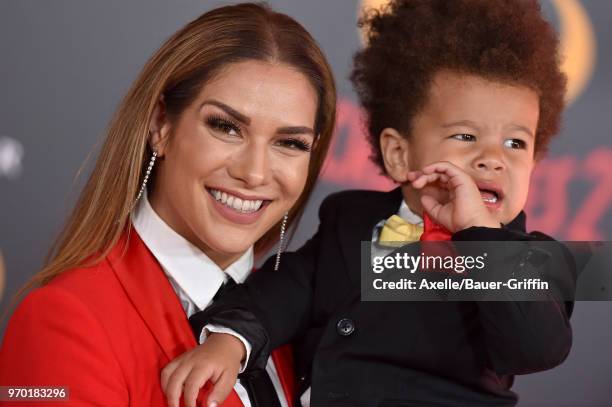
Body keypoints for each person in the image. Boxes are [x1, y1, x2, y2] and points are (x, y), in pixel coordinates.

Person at [161, 0, 577, 406]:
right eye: (466, 136)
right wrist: (230, 342)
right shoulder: (349, 222)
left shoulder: (534, 261)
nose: (493, 158)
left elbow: (536, 347)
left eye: (515, 143)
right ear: (399, 154)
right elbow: (282, 293)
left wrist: (478, 234)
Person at [0, 3, 336, 407]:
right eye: (226, 127)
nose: (256, 173)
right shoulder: (65, 319)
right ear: (162, 125)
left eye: (290, 143)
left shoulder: (303, 315)